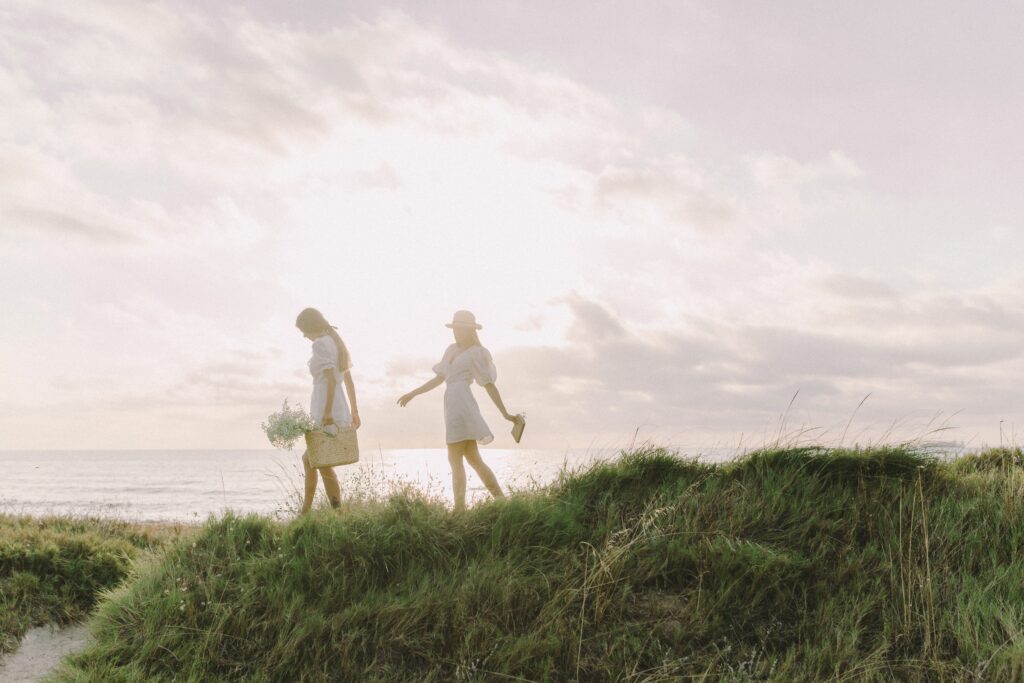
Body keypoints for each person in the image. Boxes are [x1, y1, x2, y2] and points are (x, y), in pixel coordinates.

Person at [398, 310, 520, 512]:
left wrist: (505, 414)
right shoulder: (451, 350)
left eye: (460, 329)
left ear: (470, 330)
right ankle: (500, 502)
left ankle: (460, 510)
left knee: (455, 457)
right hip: (452, 402)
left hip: (462, 403)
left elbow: (488, 384)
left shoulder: (477, 352)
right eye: (455, 329)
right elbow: (439, 379)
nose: (456, 332)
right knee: (473, 458)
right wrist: (413, 393)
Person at [296, 308, 360, 513]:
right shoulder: (335, 342)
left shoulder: (321, 344)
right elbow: (348, 381)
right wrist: (354, 411)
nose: (304, 336)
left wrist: (327, 414)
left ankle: (328, 512)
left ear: (310, 327)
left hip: (327, 406)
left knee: (319, 461)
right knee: (312, 459)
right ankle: (311, 511)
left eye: (304, 331)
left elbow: (332, 380)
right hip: (335, 405)